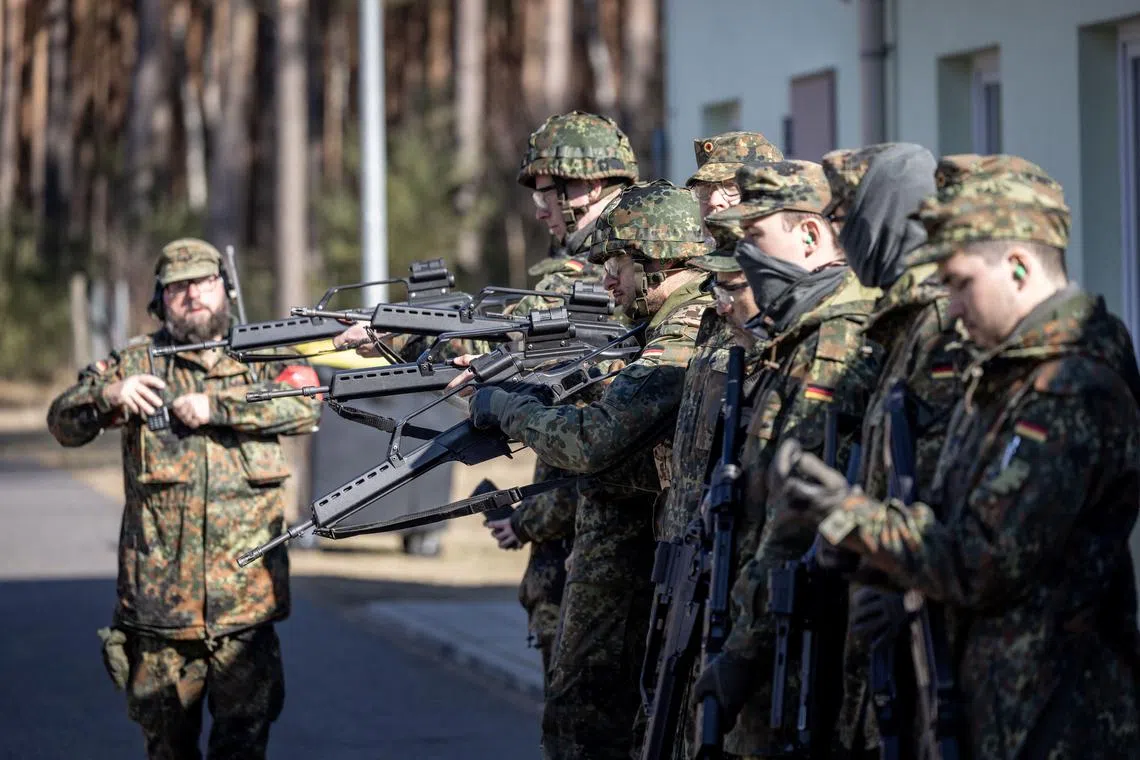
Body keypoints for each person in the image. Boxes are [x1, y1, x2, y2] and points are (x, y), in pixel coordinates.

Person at [770, 155, 1140, 757]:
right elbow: (944, 520)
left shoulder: (1073, 388)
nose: (954, 307)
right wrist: (860, 557)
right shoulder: (1003, 377)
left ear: (1019, 268)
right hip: (989, 711)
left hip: (1058, 724)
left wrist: (849, 514)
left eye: (962, 284)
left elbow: (981, 559)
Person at [466, 179, 713, 760]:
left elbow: (590, 442)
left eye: (618, 264)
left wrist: (506, 405)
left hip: (655, 564)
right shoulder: (657, 326)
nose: (607, 280)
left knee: (589, 723)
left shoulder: (677, 335)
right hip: (643, 558)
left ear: (660, 259)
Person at [47, 239, 320, 759]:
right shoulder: (134, 362)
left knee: (242, 748)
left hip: (246, 610)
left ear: (225, 289)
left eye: (204, 283)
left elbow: (307, 406)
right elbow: (62, 422)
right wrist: (109, 396)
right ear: (161, 298)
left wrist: (217, 406)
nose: (193, 295)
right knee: (168, 750)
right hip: (160, 616)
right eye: (178, 286)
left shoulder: (261, 357)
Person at [692, 160, 882, 758]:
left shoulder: (837, 340)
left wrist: (742, 652)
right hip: (770, 624)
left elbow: (796, 517)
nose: (744, 261)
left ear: (810, 234)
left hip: (797, 637)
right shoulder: (796, 337)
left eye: (754, 237)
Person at [823, 142, 967, 759]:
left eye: (845, 218)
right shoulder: (898, 323)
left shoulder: (936, 323)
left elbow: (941, 480)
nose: (837, 237)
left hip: (927, 620)